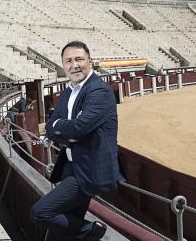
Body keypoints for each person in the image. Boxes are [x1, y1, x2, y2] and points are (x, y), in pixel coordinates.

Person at [30, 41, 125, 241]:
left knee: (40, 212)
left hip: (89, 170)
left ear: (90, 61)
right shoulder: (67, 92)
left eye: (79, 59)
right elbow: (50, 127)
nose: (74, 65)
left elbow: (79, 128)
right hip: (71, 166)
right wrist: (63, 126)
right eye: (69, 61)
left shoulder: (99, 91)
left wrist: (62, 126)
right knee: (66, 228)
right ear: (63, 65)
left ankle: (91, 231)